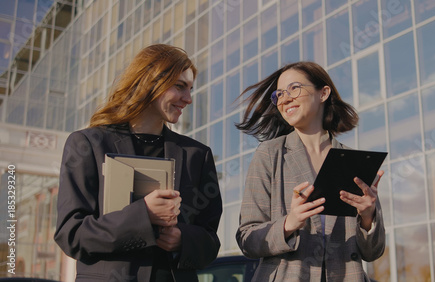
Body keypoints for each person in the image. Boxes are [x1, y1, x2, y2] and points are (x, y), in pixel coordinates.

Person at [54, 44, 222, 282]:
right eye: (180, 86)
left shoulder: (198, 155)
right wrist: (144, 214)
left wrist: (183, 239)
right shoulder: (88, 144)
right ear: (149, 82)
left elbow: (211, 240)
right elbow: (71, 234)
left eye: (191, 89)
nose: (189, 99)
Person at [235, 61, 385, 281]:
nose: (285, 99)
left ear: (323, 93)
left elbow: (373, 252)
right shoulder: (269, 154)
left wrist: (367, 217)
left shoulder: (354, 161)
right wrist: (289, 223)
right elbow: (247, 240)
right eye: (279, 94)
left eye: (294, 88)